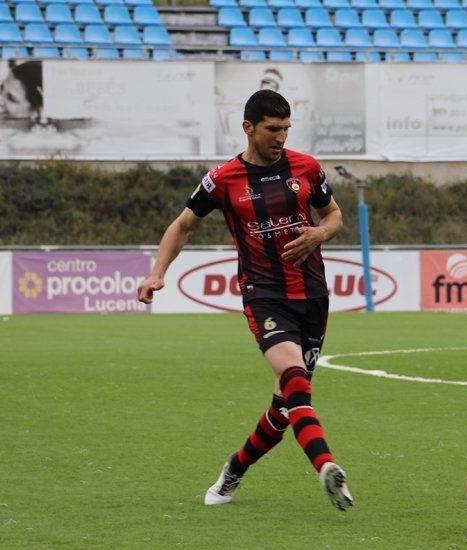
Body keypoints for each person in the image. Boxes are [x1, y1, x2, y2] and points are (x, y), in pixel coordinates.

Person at [137, 90, 352, 511]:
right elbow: (181, 226)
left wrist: (319, 234)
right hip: (264, 295)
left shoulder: (306, 167)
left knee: (284, 408)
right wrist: (157, 272)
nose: (281, 137)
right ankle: (326, 466)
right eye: (273, 129)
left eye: (287, 129)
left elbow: (334, 215)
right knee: (295, 380)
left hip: (313, 296)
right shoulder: (222, 179)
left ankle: (234, 468)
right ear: (248, 128)